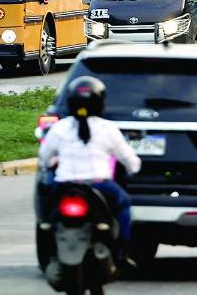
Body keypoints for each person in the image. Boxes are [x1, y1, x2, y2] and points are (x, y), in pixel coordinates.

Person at [39, 77, 141, 246]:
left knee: (47, 215)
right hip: (99, 185)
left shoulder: (60, 128)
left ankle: (48, 246)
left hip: (64, 185)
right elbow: (131, 161)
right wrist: (133, 169)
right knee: (124, 204)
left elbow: (44, 157)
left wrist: (51, 163)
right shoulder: (107, 128)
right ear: (101, 103)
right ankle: (122, 247)